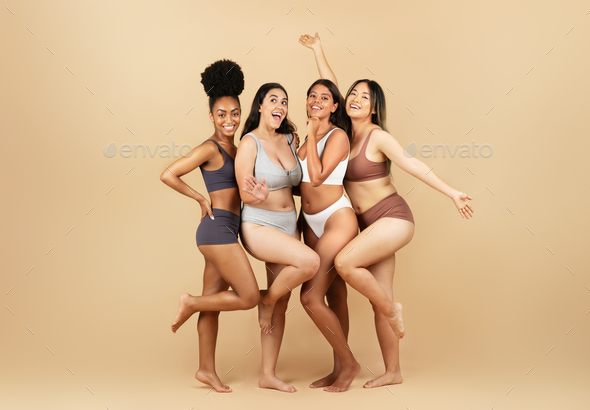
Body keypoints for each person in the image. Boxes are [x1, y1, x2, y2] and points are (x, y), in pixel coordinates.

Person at [300, 32, 474, 388]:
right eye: (352, 95)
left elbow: (412, 165)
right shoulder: (342, 131)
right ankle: (393, 372)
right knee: (381, 295)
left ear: (374, 107)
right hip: (368, 227)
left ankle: (394, 313)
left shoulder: (378, 136)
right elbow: (331, 87)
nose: (355, 99)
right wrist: (318, 50)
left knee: (347, 264)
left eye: (364, 97)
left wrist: (452, 192)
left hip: (392, 218)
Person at [160, 59, 259, 393]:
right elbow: (168, 173)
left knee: (214, 299)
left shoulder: (241, 144)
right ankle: (189, 303)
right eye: (221, 114)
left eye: (234, 113)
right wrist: (201, 199)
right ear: (211, 115)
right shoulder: (210, 147)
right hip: (215, 231)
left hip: (227, 230)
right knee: (248, 296)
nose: (229, 120)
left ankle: (206, 369)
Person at [235, 82, 321, 393]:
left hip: (288, 226)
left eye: (284, 101)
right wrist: (256, 196)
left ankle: (267, 374)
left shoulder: (288, 138)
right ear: (259, 106)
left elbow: (297, 183)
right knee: (310, 262)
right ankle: (265, 300)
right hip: (259, 225)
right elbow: (245, 191)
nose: (280, 106)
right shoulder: (249, 143)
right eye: (273, 100)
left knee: (283, 300)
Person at [296, 77, 361, 392]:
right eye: (311, 95)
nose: (316, 100)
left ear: (335, 106)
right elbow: (300, 184)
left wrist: (310, 133)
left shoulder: (337, 136)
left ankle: (349, 364)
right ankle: (339, 369)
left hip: (336, 219)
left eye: (324, 97)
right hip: (310, 221)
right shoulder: (301, 140)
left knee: (309, 297)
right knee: (335, 295)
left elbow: (319, 177)